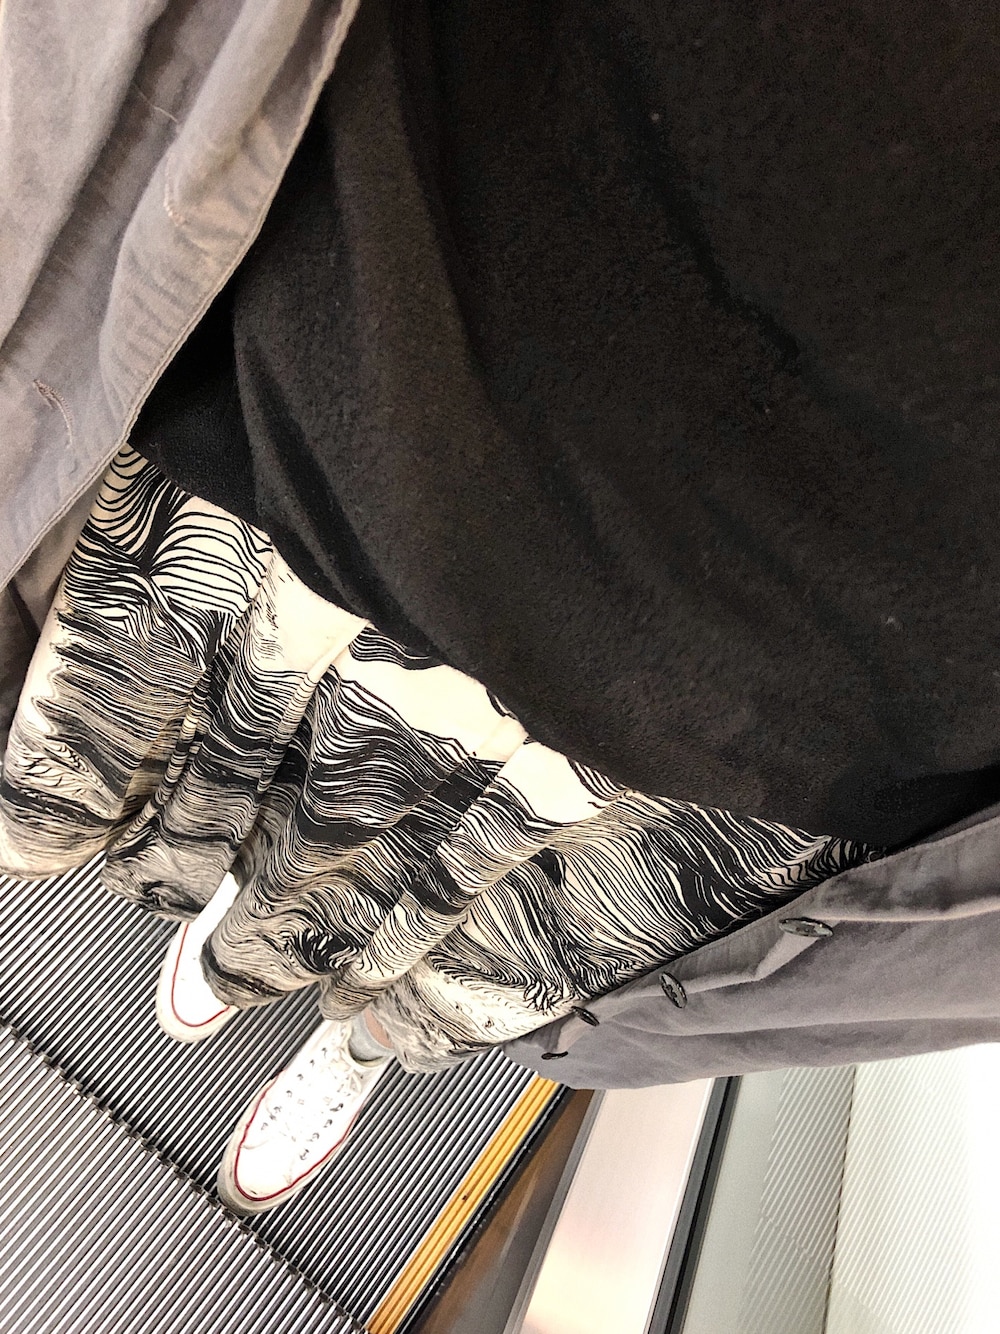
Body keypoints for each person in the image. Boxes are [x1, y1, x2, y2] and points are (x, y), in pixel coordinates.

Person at [5, 0, 1000, 1212]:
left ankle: (359, 1036)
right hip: (407, 361)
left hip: (803, 722)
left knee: (484, 935)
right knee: (275, 763)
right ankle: (247, 935)